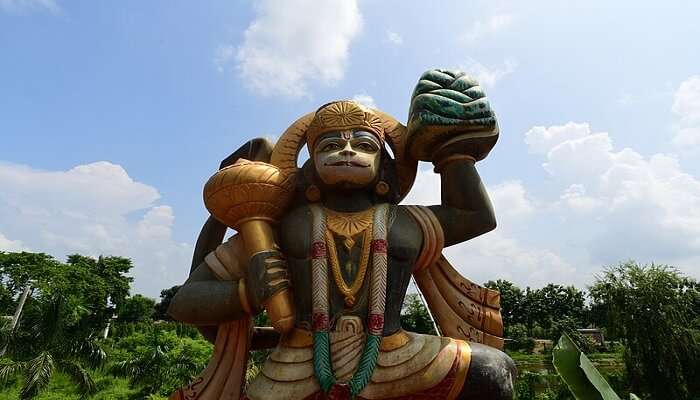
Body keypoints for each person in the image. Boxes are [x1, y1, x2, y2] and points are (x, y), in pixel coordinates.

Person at [169, 69, 516, 400]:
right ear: (310, 165)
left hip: (395, 353)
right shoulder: (280, 225)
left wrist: (451, 148)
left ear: (385, 163)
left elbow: (474, 216)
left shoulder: (404, 221)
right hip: (300, 360)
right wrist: (246, 291)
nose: (348, 151)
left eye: (365, 145)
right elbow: (186, 302)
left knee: (494, 370)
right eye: (330, 145)